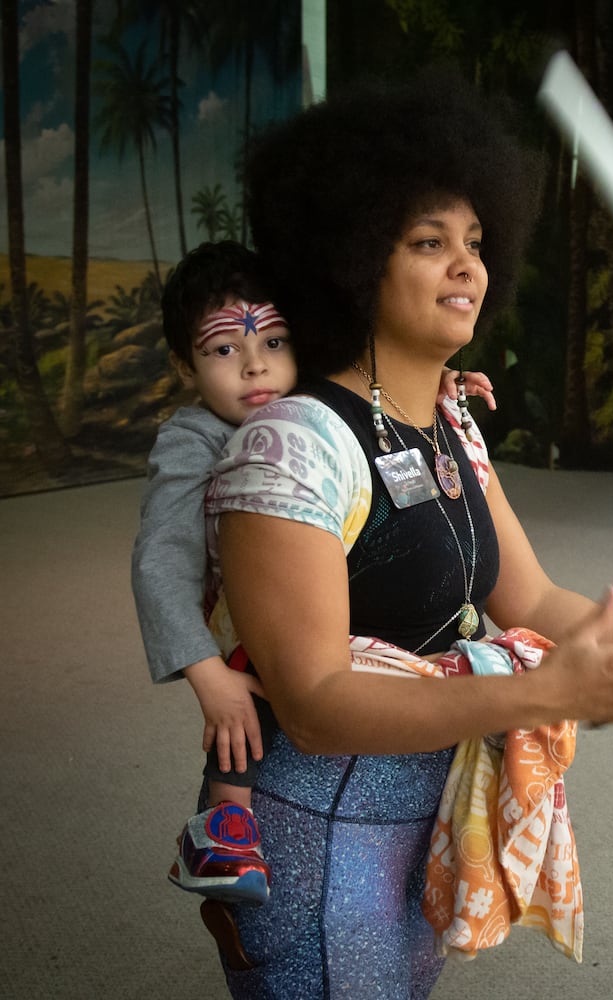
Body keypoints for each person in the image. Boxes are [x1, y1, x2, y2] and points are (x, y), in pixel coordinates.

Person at [200, 69, 613, 999]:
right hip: (316, 835)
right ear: (351, 257)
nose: (468, 266)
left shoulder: (452, 426)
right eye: (429, 242)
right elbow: (316, 703)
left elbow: (530, 598)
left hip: (423, 825)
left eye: (475, 241)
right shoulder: (289, 449)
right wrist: (539, 690)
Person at [131, 240, 498, 908]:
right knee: (252, 704)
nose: (254, 366)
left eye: (273, 342)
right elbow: (160, 560)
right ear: (186, 365)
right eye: (223, 351)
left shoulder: (299, 403)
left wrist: (440, 386)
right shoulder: (192, 442)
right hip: (239, 611)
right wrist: (204, 674)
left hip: (305, 586)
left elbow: (379, 385)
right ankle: (221, 825)